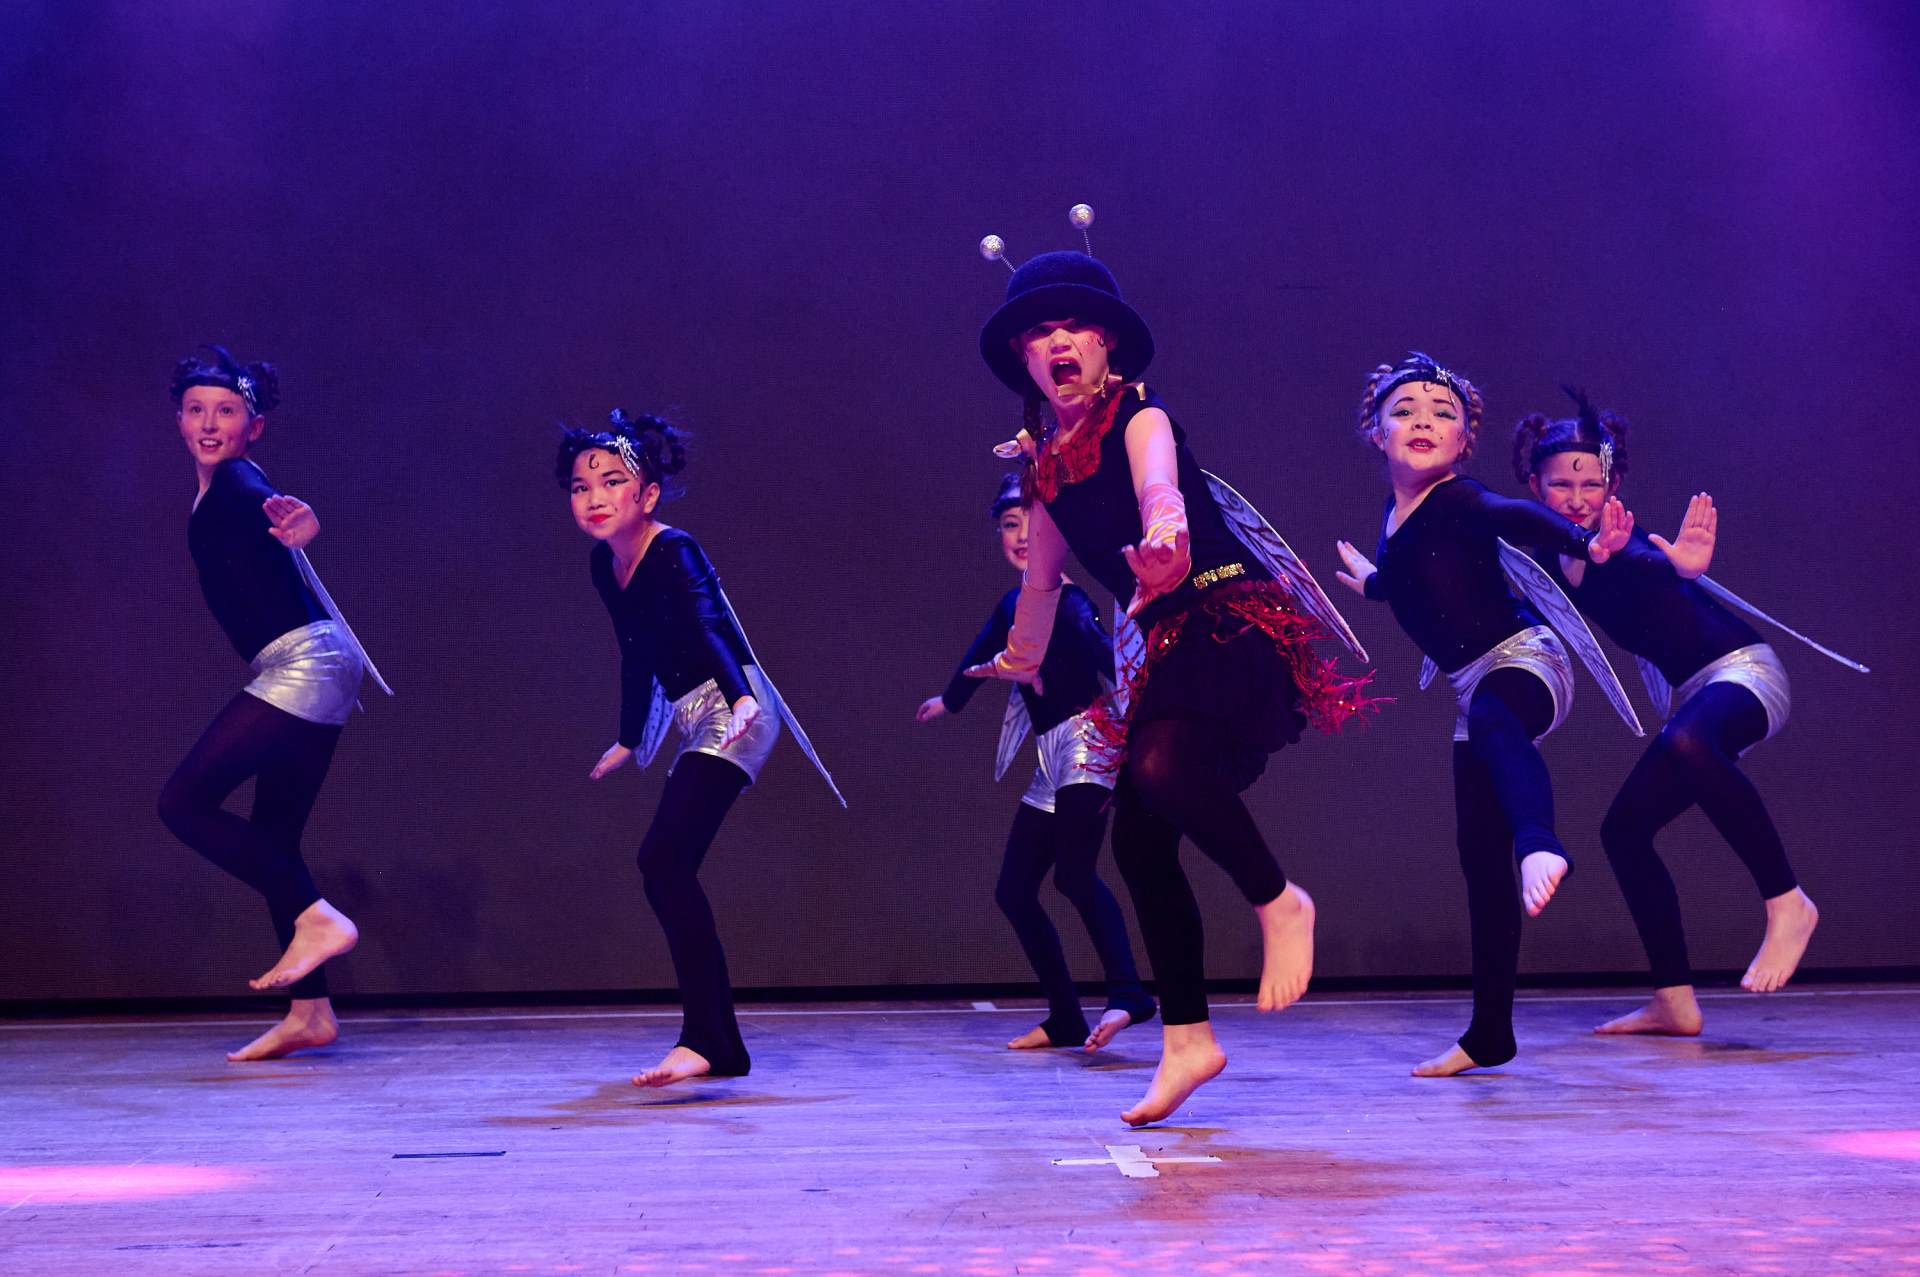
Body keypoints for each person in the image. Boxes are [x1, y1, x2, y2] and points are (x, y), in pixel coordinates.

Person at [971, 245, 1373, 1125]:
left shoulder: (1140, 416)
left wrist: (1164, 541)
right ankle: (1188, 1038)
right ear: (1022, 360)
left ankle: (1279, 899)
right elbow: (1041, 585)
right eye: (1039, 334)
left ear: (1108, 344)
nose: (1058, 344)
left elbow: (1162, 492)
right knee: (1139, 843)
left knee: (1157, 767)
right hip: (1165, 643)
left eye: (1075, 327)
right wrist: (1020, 657)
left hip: (1228, 617)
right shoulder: (1045, 474)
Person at [1511, 388, 1856, 1034]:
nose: (1578, 498)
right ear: (1535, 486)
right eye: (1561, 485)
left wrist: (1681, 565)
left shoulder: (1621, 536)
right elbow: (1567, 570)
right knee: (1624, 831)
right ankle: (1673, 998)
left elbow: (1639, 561)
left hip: (1744, 673)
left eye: (1592, 483)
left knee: (1688, 742)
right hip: (1697, 697)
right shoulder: (1551, 557)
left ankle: (1787, 901)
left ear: (1612, 484)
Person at [1334, 353, 1635, 1077]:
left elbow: (1518, 515)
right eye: (1405, 410)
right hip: (1474, 683)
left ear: (1464, 440)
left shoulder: (1461, 499)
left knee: (1499, 720)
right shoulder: (1397, 518)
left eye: (1443, 413)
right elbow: (1410, 580)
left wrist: (1584, 541)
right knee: (1479, 858)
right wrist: (1373, 584)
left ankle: (1542, 842)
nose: (1423, 421)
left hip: (1526, 660)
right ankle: (1489, 1033)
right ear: (1376, 432)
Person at [562, 410, 842, 1087]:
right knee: (666, 865)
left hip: (734, 708)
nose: (595, 496)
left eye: (613, 481)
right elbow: (634, 650)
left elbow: (710, 621)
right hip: (696, 713)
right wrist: (630, 737)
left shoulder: (674, 549)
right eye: (580, 486)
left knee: (663, 859)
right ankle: (719, 1043)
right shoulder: (606, 564)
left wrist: (741, 699)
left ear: (649, 493)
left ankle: (708, 1038)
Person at [158, 345, 388, 1061]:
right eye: (196, 410)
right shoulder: (217, 486)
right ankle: (310, 1011)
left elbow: (266, 500)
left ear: (252, 426)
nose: (209, 424)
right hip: (321, 662)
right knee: (275, 837)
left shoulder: (236, 479)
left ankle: (316, 916)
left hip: (304, 663)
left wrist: (300, 522)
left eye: (225, 411)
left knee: (183, 804)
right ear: (178, 419)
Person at [917, 473, 1155, 1051]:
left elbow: (1108, 659)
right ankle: (1066, 1017)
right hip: (1052, 756)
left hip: (1088, 743)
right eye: (1009, 524)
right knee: (1014, 890)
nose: (1021, 535)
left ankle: (1129, 993)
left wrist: (1149, 692)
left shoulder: (1068, 602)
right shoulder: (1014, 603)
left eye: (1031, 522)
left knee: (1073, 874)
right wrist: (950, 701)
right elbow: (983, 651)